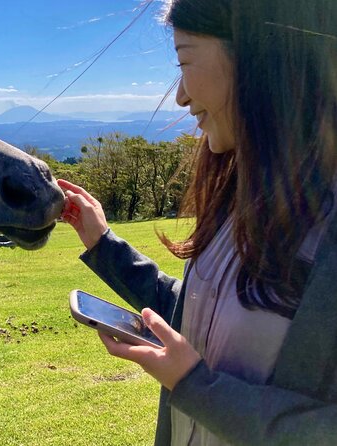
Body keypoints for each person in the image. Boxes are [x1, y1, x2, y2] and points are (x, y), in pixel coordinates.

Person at [58, 0, 337, 444]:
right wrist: (102, 242)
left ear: (262, 60)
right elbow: (199, 314)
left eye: (185, 61)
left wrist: (194, 384)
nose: (180, 96)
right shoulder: (239, 199)